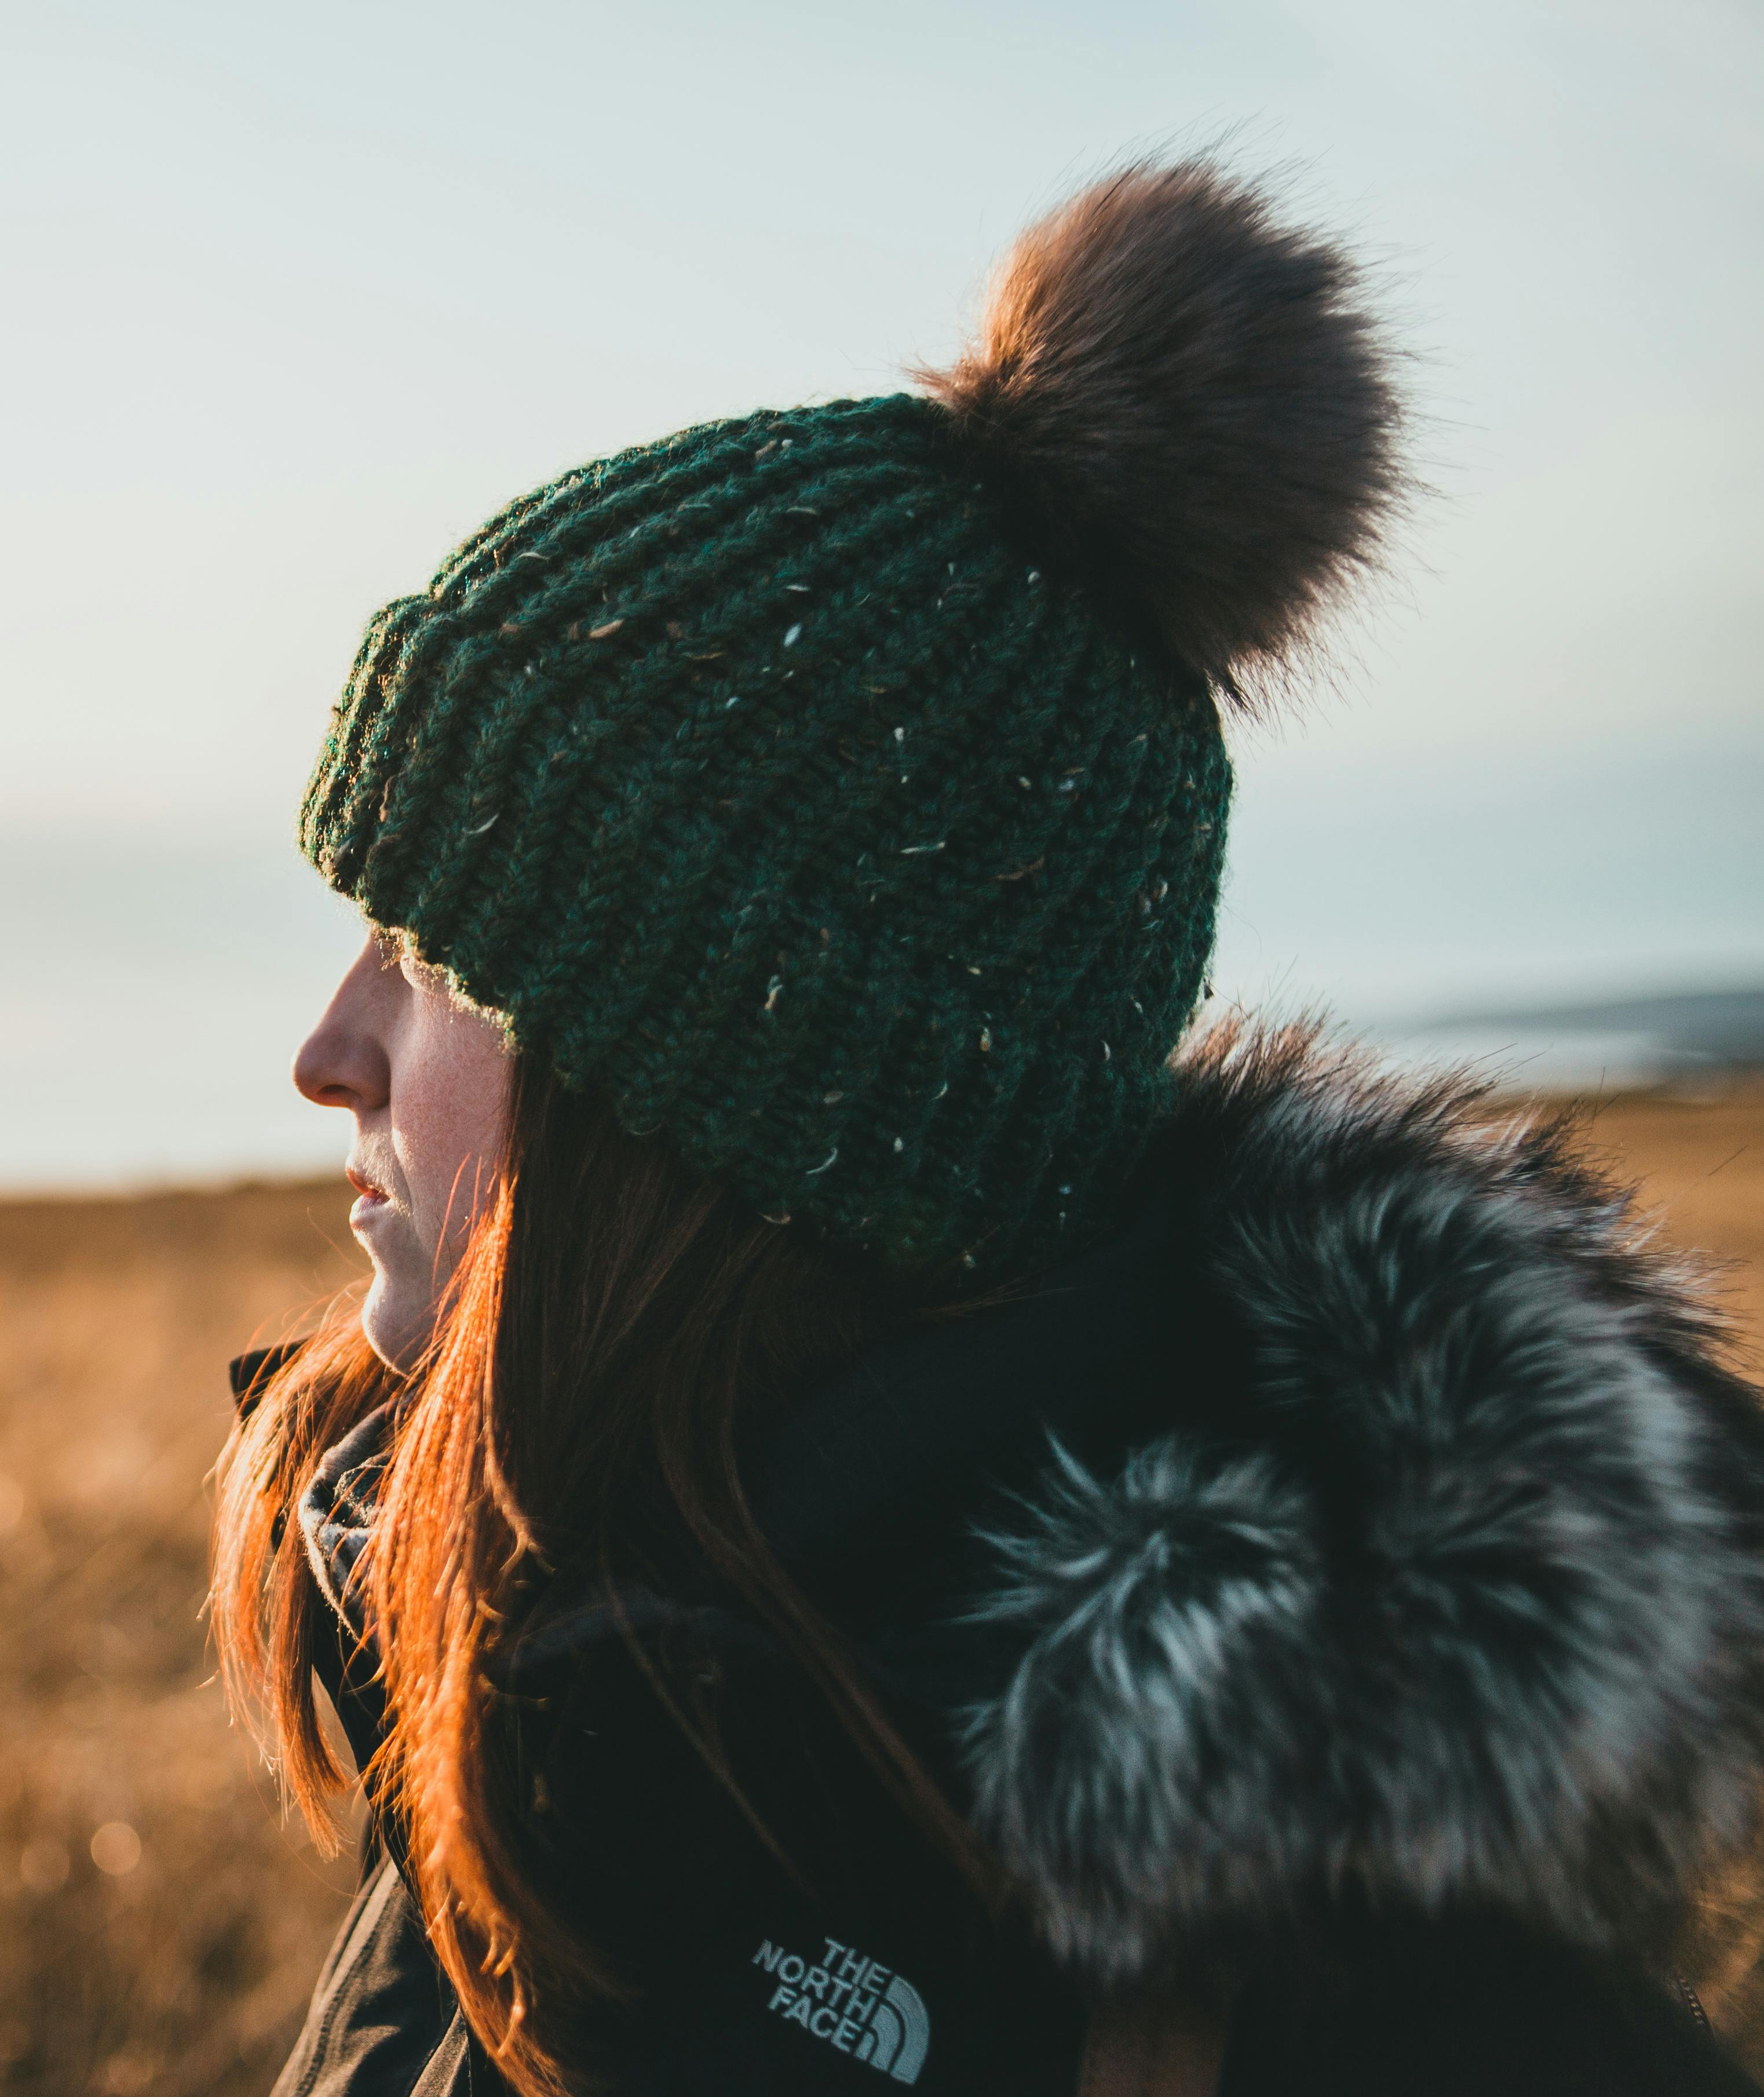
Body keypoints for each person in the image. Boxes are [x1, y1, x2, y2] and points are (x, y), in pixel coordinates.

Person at [209, 158, 1764, 2097]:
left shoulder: (1335, 1978)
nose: (328, 1049)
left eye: (431, 955)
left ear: (737, 1093)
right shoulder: (551, 1629)